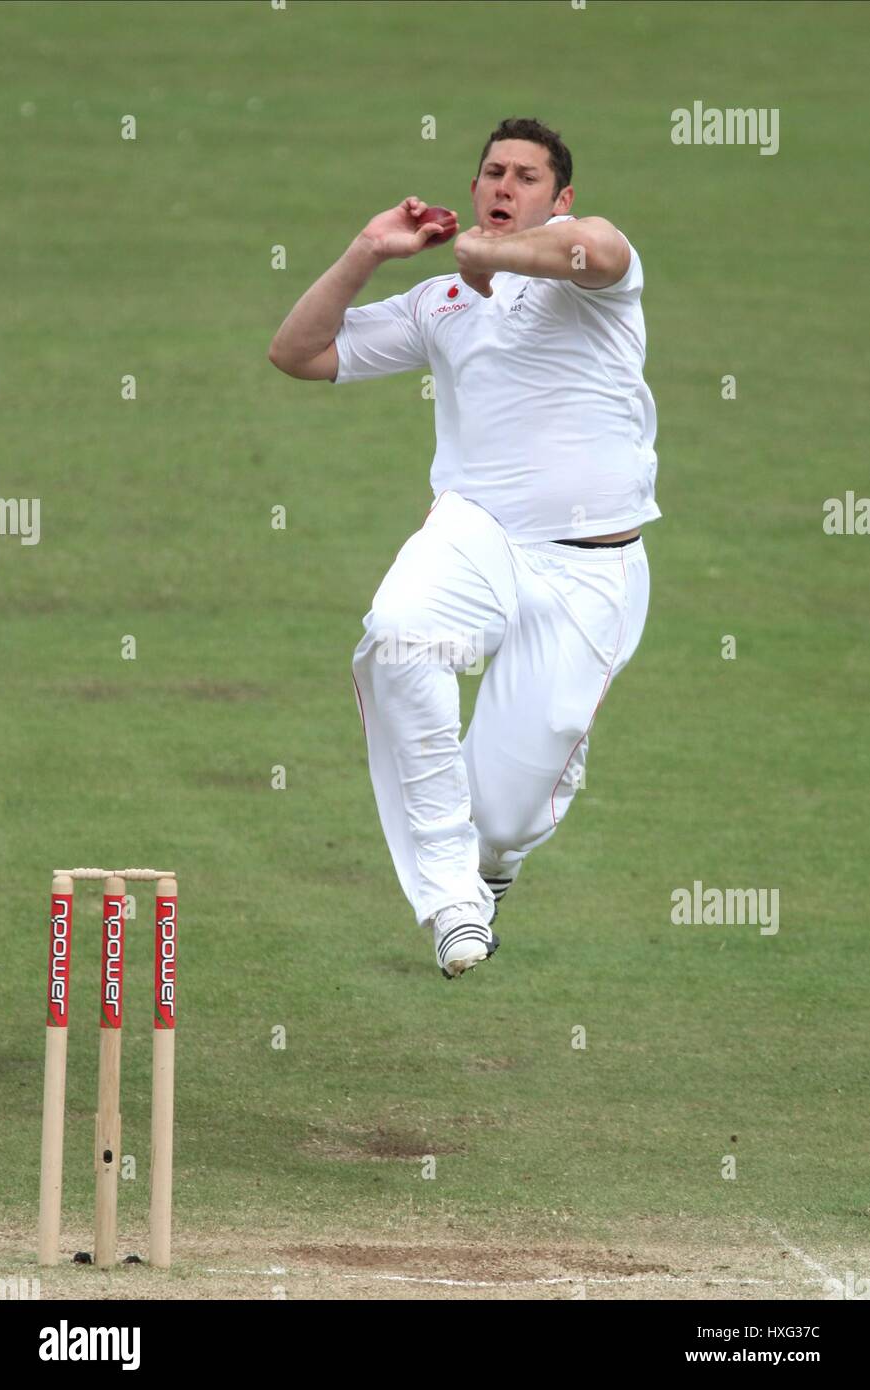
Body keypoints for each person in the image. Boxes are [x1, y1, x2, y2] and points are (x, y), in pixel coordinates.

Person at [269, 116, 660, 980]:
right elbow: (297, 353)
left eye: (525, 177)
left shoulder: (594, 272)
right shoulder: (440, 301)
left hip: (588, 566)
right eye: (491, 173)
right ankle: (451, 897)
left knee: (507, 815)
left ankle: (490, 863)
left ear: (559, 198)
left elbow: (590, 252)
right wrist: (367, 250)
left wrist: (494, 257)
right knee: (400, 629)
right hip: (476, 531)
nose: (503, 187)